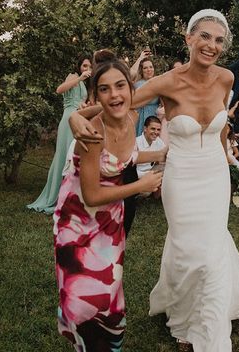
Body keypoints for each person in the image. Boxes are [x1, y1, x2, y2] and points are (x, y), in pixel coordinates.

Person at [73, 9, 239, 351]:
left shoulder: (226, 79)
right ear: (189, 38)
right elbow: (115, 102)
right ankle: (183, 316)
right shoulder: (167, 82)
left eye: (219, 40)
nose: (211, 45)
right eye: (204, 36)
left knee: (212, 250)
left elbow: (220, 131)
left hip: (215, 175)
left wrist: (232, 165)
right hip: (182, 177)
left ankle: (208, 327)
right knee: (188, 249)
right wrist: (76, 117)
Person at [54, 59, 165, 351]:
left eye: (120, 86)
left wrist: (163, 153)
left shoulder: (130, 118)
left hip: (110, 222)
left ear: (131, 90)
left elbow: (127, 157)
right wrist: (141, 186)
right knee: (82, 301)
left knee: (108, 296)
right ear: (97, 96)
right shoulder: (92, 134)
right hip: (77, 221)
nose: (114, 95)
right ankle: (81, 333)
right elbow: (91, 195)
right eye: (104, 89)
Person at [27, 54, 92, 214]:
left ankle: (72, 197)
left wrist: (85, 105)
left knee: (75, 157)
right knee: (63, 157)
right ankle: (54, 197)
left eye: (89, 67)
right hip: (68, 118)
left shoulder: (85, 84)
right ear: (79, 66)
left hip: (79, 118)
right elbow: (59, 90)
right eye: (84, 66)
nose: (87, 69)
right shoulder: (74, 76)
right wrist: (80, 78)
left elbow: (79, 101)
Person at [135, 115, 166, 197]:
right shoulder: (136, 142)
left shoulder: (158, 141)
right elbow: (131, 172)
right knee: (146, 193)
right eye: (153, 129)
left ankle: (158, 191)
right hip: (138, 176)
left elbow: (167, 156)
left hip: (151, 172)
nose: (156, 132)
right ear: (145, 129)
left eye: (158, 130)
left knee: (169, 167)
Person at [132, 55, 160, 136]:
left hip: (154, 114)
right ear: (141, 70)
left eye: (151, 67)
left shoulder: (159, 82)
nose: (149, 70)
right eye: (145, 68)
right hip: (140, 115)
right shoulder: (137, 85)